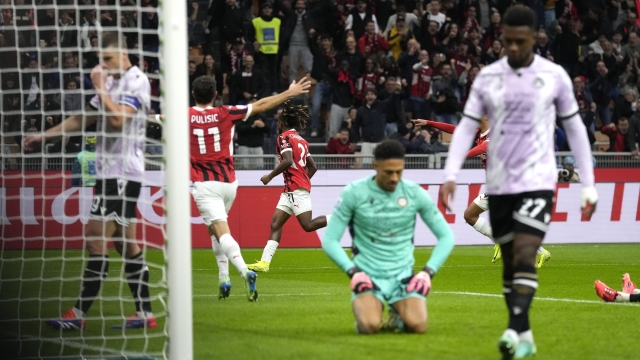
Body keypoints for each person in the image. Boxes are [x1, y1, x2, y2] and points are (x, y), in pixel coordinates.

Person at [439, 7, 598, 359]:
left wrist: (587, 181)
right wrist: (450, 173)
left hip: (536, 178)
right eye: (506, 41)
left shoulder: (553, 76)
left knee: (525, 251)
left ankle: (514, 329)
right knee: (512, 260)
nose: (512, 47)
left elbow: (574, 127)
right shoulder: (489, 78)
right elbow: (465, 126)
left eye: (520, 41)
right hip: (499, 183)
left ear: (534, 38)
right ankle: (524, 332)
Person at [23, 32, 157, 330]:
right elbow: (84, 117)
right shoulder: (111, 83)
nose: (103, 65)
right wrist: (43, 137)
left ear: (124, 55)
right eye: (100, 60)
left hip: (122, 173)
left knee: (95, 240)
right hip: (110, 172)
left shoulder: (136, 80)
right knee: (125, 244)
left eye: (108, 59)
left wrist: (99, 86)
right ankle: (144, 314)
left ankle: (78, 315)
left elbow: (117, 120)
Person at [188, 76, 311, 300]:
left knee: (221, 231)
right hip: (230, 183)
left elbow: (153, 120)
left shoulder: (185, 115)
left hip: (206, 183)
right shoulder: (225, 112)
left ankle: (244, 271)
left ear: (193, 94)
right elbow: (261, 105)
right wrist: (289, 92)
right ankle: (227, 276)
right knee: (219, 229)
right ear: (216, 94)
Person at [321, 139, 455, 334]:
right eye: (388, 172)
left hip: (403, 277)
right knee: (369, 326)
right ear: (375, 166)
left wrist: (427, 273)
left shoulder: (414, 193)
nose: (394, 178)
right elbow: (330, 240)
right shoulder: (354, 192)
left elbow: (446, 236)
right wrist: (353, 272)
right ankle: (374, 308)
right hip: (366, 276)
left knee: (418, 326)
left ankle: (397, 316)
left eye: (399, 172)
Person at [413, 117, 552, 267]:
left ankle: (532, 250)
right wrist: (429, 123)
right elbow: (455, 130)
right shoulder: (478, 134)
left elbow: (484, 147)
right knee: (470, 215)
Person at [247, 101, 329, 272]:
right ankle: (264, 263)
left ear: (282, 122)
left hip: (296, 189)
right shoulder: (302, 140)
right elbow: (313, 166)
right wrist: (303, 179)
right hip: (290, 190)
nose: (277, 124)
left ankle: (341, 216)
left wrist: (269, 176)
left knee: (308, 225)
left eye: (278, 121)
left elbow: (288, 160)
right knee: (275, 223)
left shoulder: (283, 137)